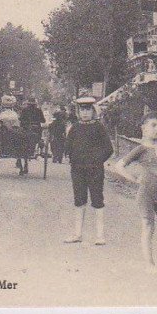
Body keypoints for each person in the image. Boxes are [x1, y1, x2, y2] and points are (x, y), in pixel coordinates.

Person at [116, 112, 157, 274]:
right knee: (148, 227)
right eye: (153, 125)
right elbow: (119, 166)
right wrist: (133, 179)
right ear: (144, 128)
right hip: (146, 195)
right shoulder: (140, 149)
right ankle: (150, 265)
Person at [63, 96, 113, 245]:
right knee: (79, 200)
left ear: (93, 111)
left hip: (95, 170)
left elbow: (108, 149)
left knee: (97, 200)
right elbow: (68, 146)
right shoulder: (75, 128)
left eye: (88, 110)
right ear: (78, 112)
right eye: (82, 110)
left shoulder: (99, 127)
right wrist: (72, 158)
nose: (85, 113)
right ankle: (77, 234)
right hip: (78, 170)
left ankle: (100, 236)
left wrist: (97, 160)